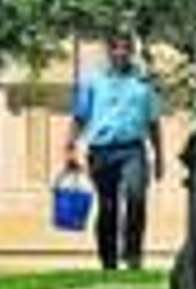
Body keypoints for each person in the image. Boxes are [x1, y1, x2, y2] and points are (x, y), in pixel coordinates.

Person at [66, 35, 164, 270]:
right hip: (101, 151)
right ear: (108, 52)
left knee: (136, 197)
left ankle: (133, 255)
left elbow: (153, 122)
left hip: (133, 149)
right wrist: (69, 148)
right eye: (115, 48)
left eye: (125, 49)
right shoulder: (93, 81)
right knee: (108, 205)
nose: (120, 53)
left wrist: (160, 157)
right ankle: (108, 258)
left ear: (131, 52)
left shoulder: (143, 83)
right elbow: (80, 117)